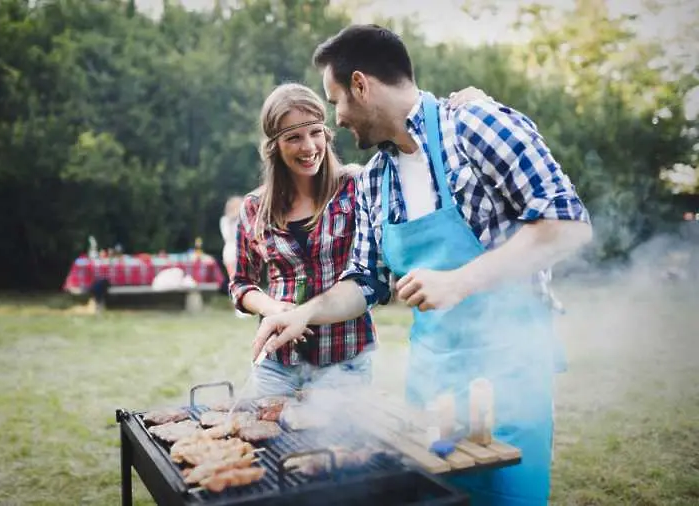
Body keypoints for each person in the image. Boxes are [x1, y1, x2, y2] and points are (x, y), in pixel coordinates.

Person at [254, 25, 593, 506]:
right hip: (432, 381)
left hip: (510, 373)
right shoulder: (375, 179)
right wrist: (302, 313)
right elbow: (365, 281)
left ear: (360, 84)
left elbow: (568, 224)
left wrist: (461, 281)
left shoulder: (476, 126)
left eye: (335, 102)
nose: (338, 119)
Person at [231, 82, 488, 397]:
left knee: (337, 447)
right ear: (274, 146)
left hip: (344, 359)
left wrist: (466, 107)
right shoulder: (255, 208)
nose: (308, 146)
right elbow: (241, 284)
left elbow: (411, 143)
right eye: (293, 137)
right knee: (263, 441)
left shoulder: (356, 185)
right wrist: (273, 308)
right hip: (277, 361)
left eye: (315, 132)